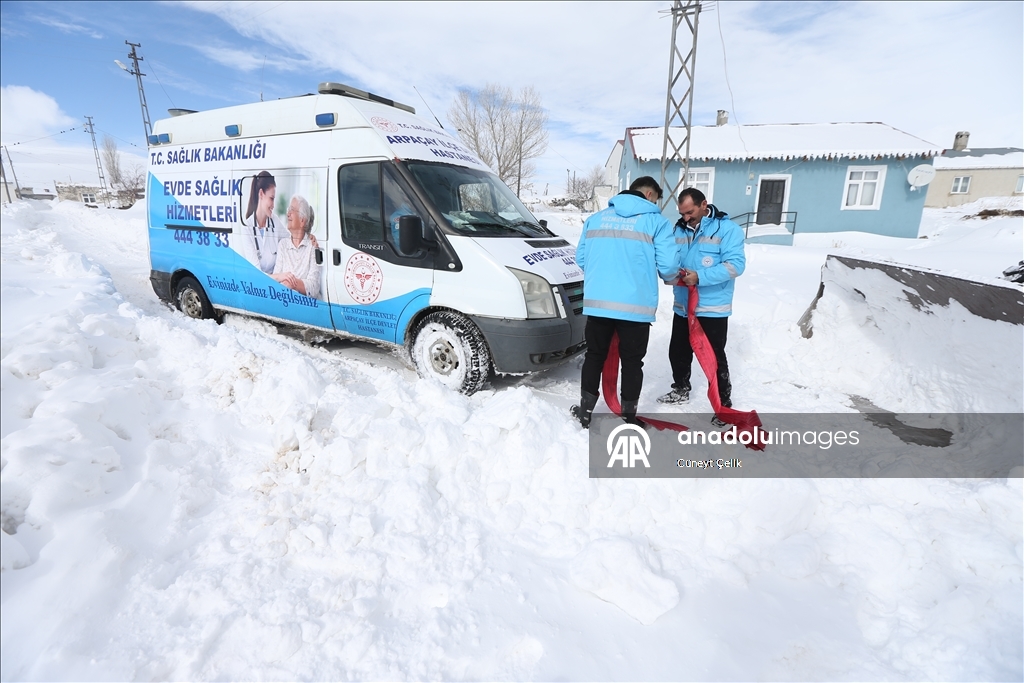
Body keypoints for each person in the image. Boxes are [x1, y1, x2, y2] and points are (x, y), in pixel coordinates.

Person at [570, 176, 679, 428]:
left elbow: (582, 258)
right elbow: (669, 265)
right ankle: (629, 418)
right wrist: (671, 278)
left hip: (598, 305)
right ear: (650, 195)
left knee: (595, 357)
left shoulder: (595, 219)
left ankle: (585, 412)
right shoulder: (656, 222)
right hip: (635, 307)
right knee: (632, 363)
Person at [658, 188, 746, 407]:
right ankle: (680, 389)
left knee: (713, 358)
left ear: (704, 204)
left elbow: (736, 265)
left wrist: (700, 277)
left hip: (712, 308)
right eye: (682, 213)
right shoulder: (678, 230)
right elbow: (672, 261)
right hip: (683, 306)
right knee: (677, 352)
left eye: (690, 212)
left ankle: (723, 403)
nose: (686, 217)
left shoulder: (727, 229)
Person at [271, 195, 321, 298]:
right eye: (288, 209)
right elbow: (275, 279)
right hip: (283, 300)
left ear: (302, 220)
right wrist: (285, 281)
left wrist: (291, 284)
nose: (288, 213)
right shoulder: (283, 245)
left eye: (292, 210)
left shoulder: (313, 247)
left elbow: (314, 286)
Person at [241, 171, 280, 274]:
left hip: (274, 285)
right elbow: (256, 272)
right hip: (256, 285)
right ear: (261, 194)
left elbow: (291, 240)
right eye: (271, 198)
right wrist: (278, 277)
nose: (273, 205)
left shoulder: (275, 221)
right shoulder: (247, 227)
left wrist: (309, 238)